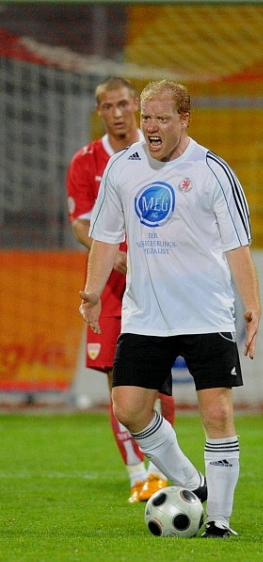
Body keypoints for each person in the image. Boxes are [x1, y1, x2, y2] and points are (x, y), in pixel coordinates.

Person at [78, 79, 261, 539]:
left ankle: (219, 519)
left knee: (216, 413)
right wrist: (94, 291)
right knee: (129, 408)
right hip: (146, 315)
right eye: (147, 118)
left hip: (205, 312)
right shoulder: (124, 167)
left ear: (184, 119)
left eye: (162, 118)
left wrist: (252, 306)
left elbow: (238, 246)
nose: (152, 127)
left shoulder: (213, 170)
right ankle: (191, 483)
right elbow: (103, 237)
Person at [66, 77, 175, 504]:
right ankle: (138, 476)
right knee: (120, 381)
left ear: (136, 107)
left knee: (161, 383)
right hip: (112, 287)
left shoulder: (158, 154)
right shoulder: (85, 161)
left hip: (158, 282)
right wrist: (110, 253)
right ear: (100, 111)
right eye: (108, 106)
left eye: (123, 105)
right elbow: (79, 223)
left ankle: (161, 469)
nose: (116, 113)